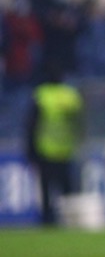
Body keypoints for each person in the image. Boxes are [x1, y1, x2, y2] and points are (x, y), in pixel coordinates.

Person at [26, 61, 84, 225]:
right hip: (67, 149)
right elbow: (80, 122)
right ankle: (70, 221)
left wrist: (30, 150)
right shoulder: (71, 96)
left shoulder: (42, 95)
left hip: (45, 149)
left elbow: (31, 125)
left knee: (46, 192)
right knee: (68, 191)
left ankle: (47, 221)